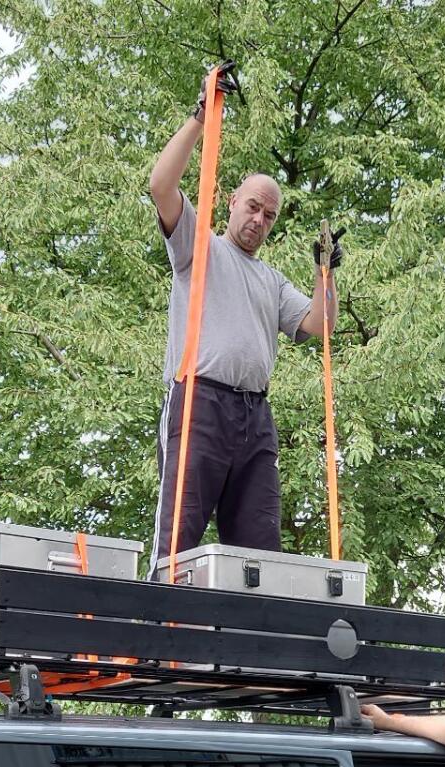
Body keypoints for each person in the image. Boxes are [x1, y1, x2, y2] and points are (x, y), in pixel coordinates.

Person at [145, 68, 341, 574]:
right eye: (253, 207)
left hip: (254, 418)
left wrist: (325, 273)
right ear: (233, 202)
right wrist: (200, 118)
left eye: (269, 215)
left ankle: (249, 648)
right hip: (199, 404)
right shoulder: (199, 246)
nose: (258, 220)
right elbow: (161, 184)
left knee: (259, 553)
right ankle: (161, 633)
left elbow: (321, 325)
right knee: (179, 539)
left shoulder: (272, 280)